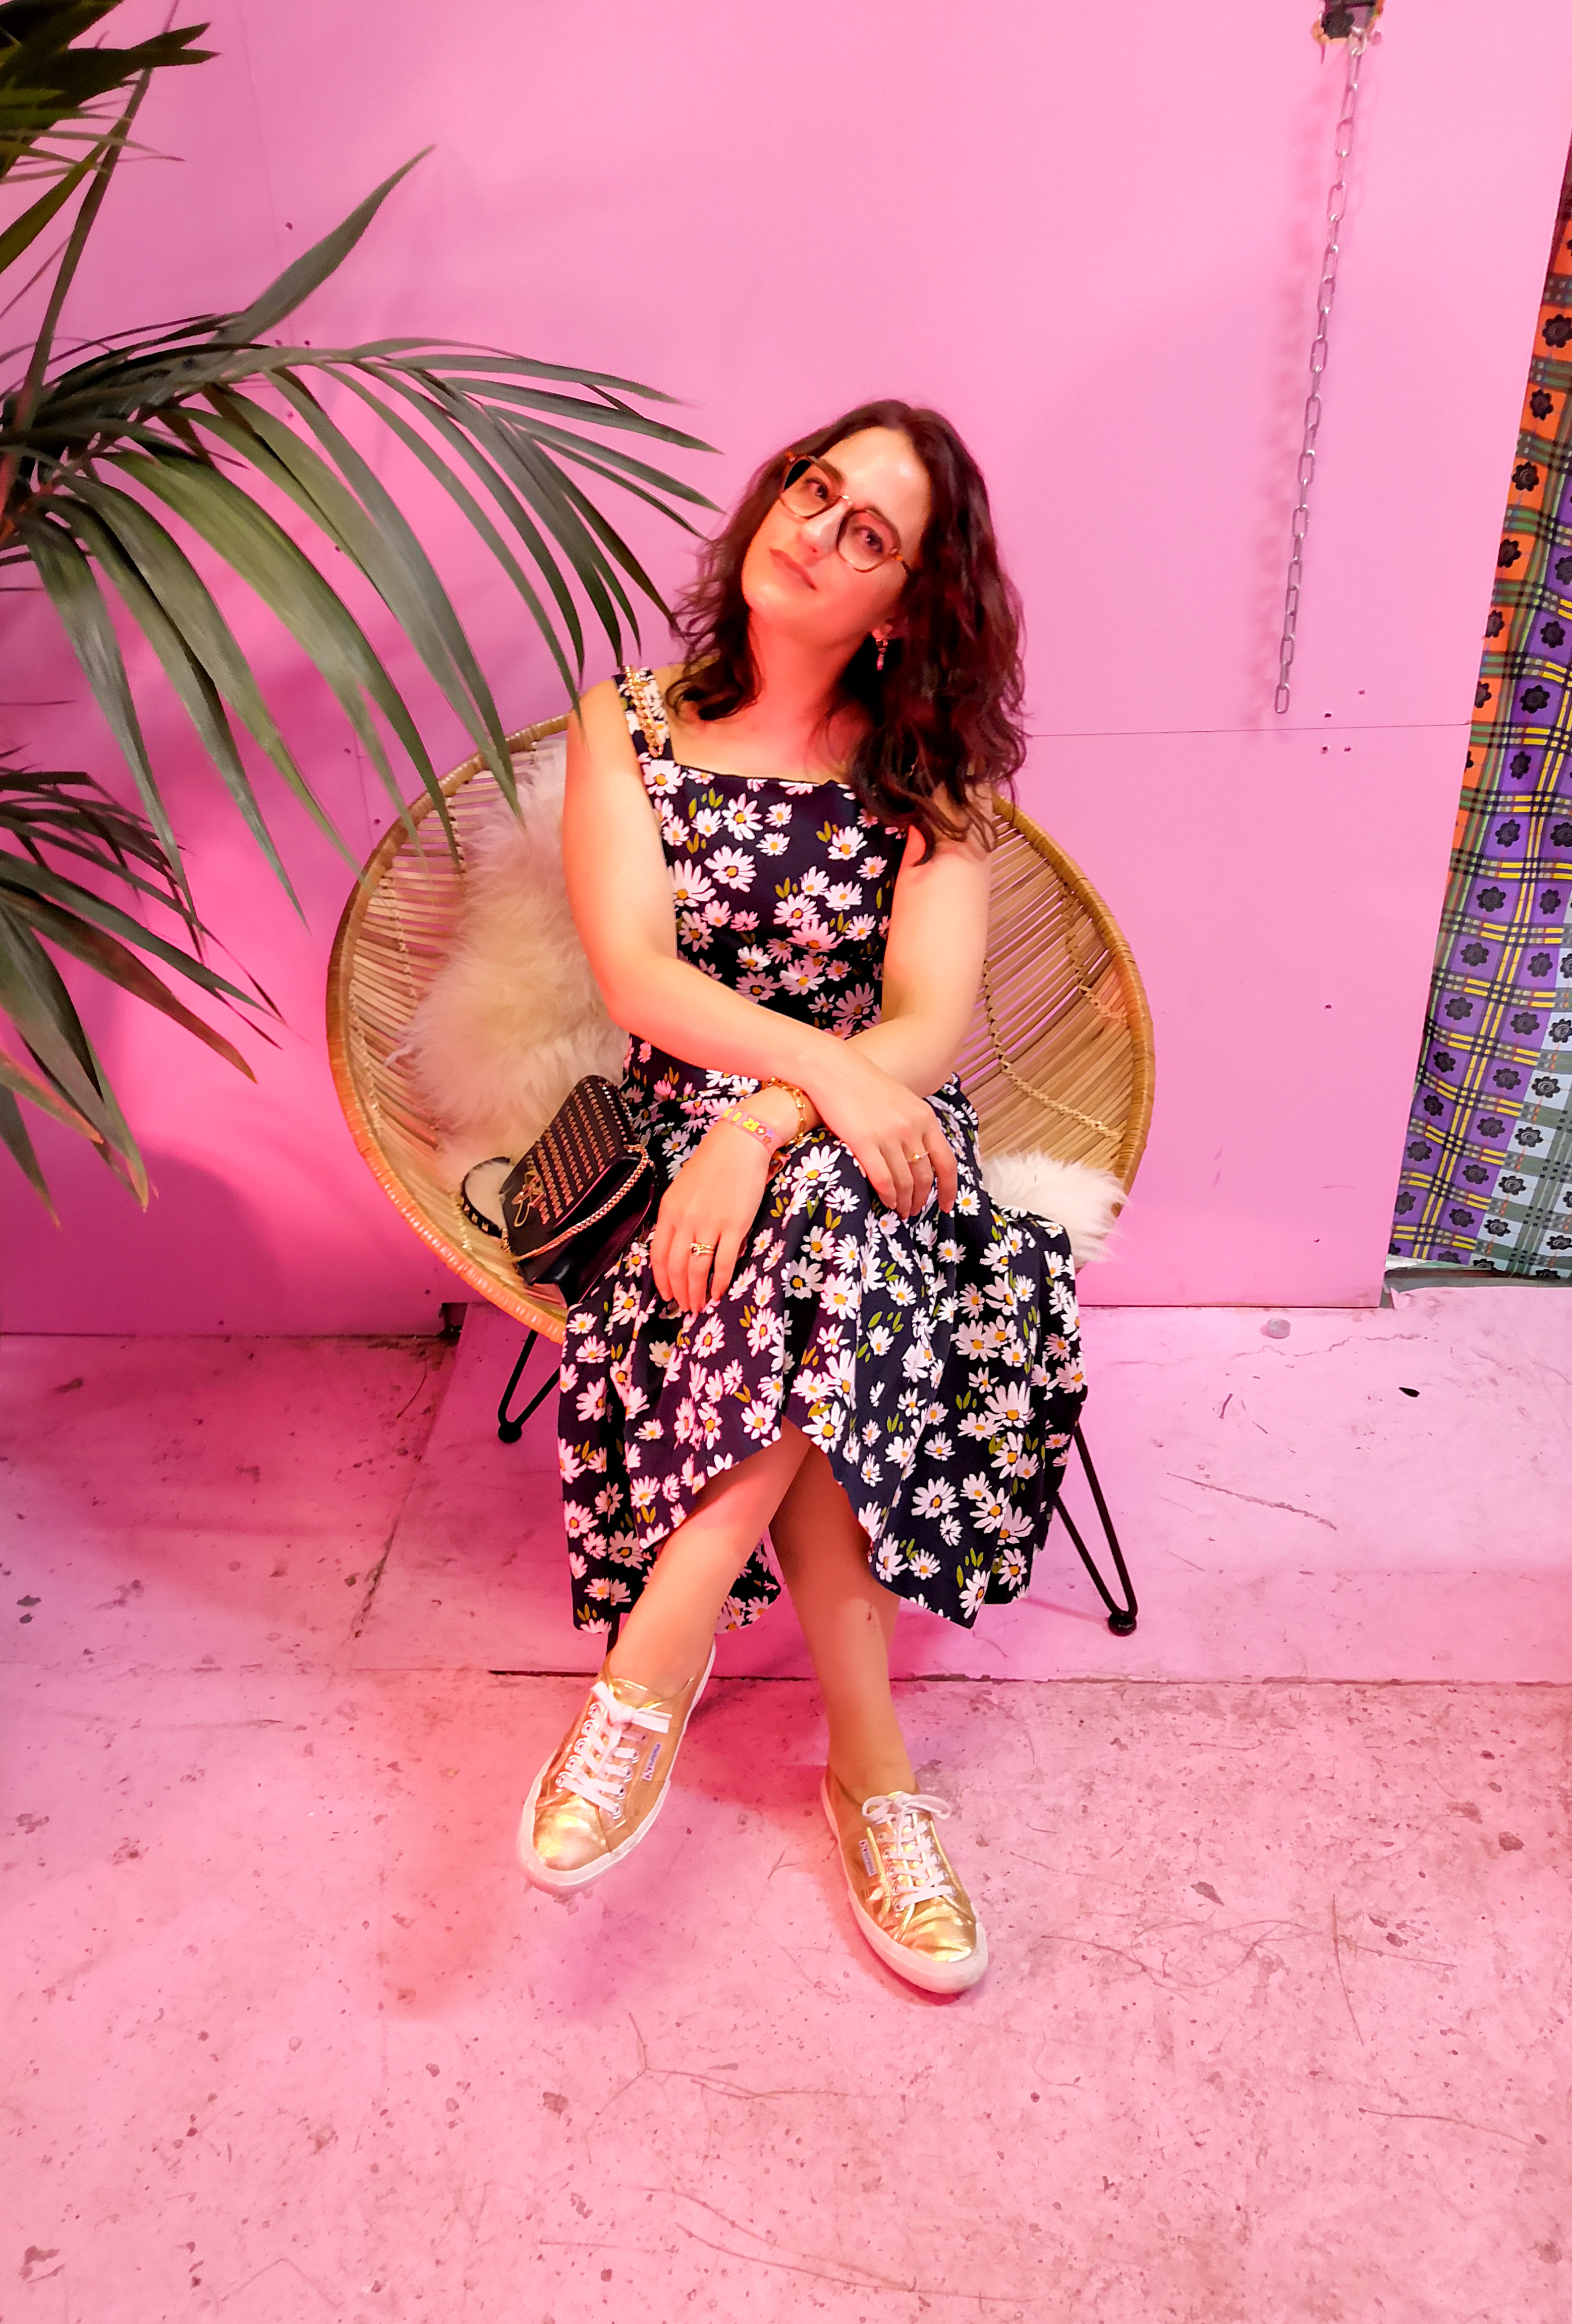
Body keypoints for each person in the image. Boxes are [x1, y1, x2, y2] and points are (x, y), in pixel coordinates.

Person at [514, 400, 1086, 1994]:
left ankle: (650, 1670)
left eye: (868, 533)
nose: (815, 531)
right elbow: (638, 980)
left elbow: (922, 1027)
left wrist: (776, 1118)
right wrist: (779, 1104)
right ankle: (874, 1779)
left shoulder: (932, 780)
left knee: (838, 1207)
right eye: (812, 488)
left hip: (870, 1134)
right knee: (833, 1287)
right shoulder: (626, 724)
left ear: (903, 607)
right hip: (682, 1139)